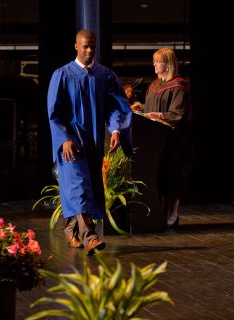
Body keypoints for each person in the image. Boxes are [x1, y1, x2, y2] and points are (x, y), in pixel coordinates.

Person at [47, 29, 133, 254]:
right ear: (76, 46)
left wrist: (116, 130)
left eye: (92, 46)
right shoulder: (63, 75)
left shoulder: (104, 75)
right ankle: (90, 237)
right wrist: (64, 138)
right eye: (85, 46)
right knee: (78, 187)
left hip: (93, 142)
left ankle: (71, 230)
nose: (89, 50)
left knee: (87, 188)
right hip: (71, 142)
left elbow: (118, 106)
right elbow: (54, 113)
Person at [137, 48, 192, 228]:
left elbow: (177, 114)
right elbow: (150, 110)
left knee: (172, 175)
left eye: (157, 61)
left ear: (167, 65)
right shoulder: (154, 86)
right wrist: (141, 110)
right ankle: (161, 211)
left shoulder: (179, 86)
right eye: (154, 61)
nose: (154, 64)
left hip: (173, 140)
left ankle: (173, 212)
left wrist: (159, 115)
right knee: (158, 175)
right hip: (155, 141)